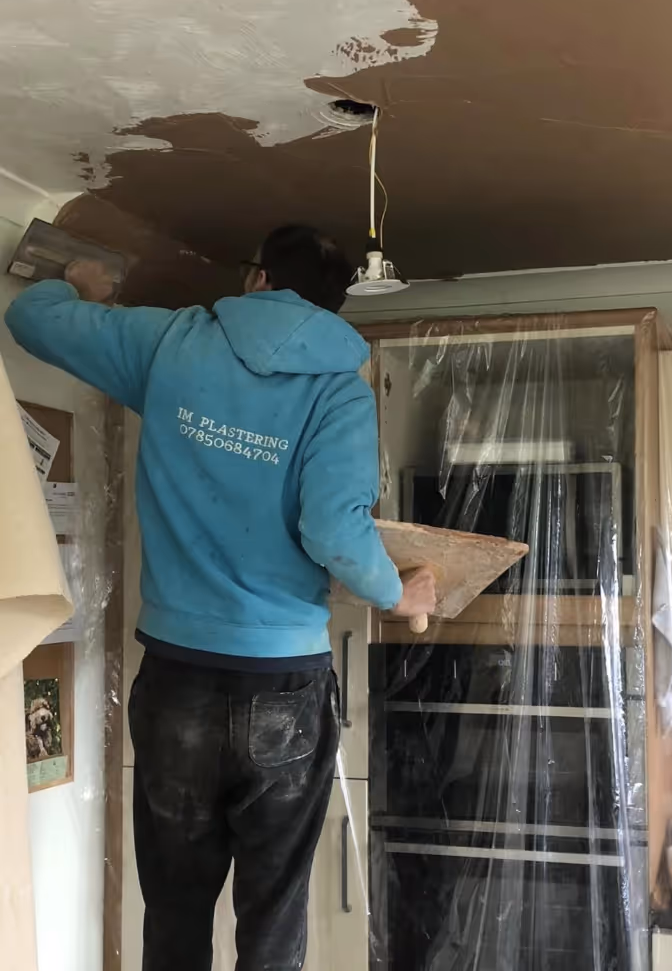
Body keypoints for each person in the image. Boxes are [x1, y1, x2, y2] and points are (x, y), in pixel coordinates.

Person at [4, 224, 436, 971]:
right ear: (333, 308)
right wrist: (400, 592)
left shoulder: (174, 342)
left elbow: (30, 318)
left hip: (178, 679)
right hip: (285, 686)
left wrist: (75, 286)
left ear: (258, 278)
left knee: (173, 908)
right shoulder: (338, 392)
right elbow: (336, 529)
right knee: (272, 916)